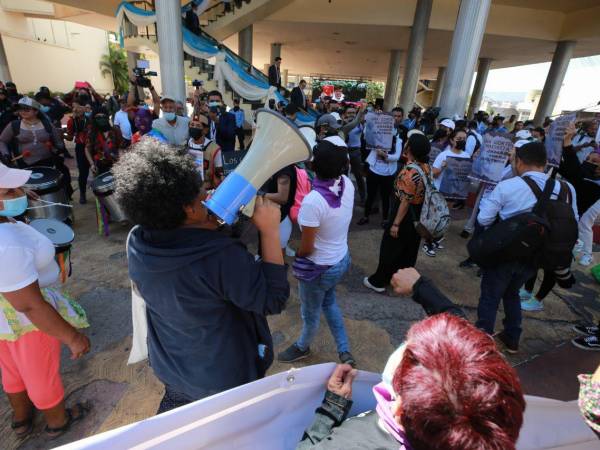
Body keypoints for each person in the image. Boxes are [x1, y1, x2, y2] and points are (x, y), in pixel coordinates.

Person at [116, 141, 289, 413]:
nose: (208, 195)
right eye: (201, 196)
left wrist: (211, 224)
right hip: (224, 379)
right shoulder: (220, 257)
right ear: (188, 208)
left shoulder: (138, 240)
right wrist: (269, 232)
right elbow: (273, 299)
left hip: (172, 365)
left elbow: (190, 251)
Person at [298, 271, 525, 449]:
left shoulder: (349, 445)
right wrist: (420, 287)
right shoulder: (489, 428)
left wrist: (333, 407)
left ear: (399, 410)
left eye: (408, 352)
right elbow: (465, 344)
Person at [0, 163, 90, 439]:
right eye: (10, 191)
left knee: (12, 369)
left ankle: (22, 418)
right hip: (25, 320)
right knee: (40, 373)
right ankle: (57, 421)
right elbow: (29, 304)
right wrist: (72, 336)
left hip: (3, 321)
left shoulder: (5, 222)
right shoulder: (6, 243)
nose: (20, 194)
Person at [476, 141, 578, 354]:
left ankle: (480, 345)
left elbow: (484, 219)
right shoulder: (567, 189)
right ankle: (512, 338)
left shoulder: (508, 186)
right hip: (536, 257)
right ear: (544, 163)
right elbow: (573, 221)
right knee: (512, 293)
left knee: (490, 297)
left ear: (520, 161)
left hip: (504, 254)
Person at [278, 140, 355, 366]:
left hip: (319, 268)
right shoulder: (347, 185)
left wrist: (297, 258)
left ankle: (302, 346)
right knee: (329, 302)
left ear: (312, 166)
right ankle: (344, 351)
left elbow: (307, 248)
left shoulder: (312, 202)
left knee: (310, 314)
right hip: (341, 259)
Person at [363, 134, 431, 293]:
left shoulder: (409, 171)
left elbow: (405, 201)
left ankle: (378, 281)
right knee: (409, 249)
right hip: (418, 214)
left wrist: (395, 224)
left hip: (404, 215)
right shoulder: (426, 167)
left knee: (390, 248)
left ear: (411, 149)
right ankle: (404, 280)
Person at [0, 97, 72, 197]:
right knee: (30, 193)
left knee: (49, 191)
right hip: (24, 166)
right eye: (20, 108)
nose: (23, 111)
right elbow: (2, 141)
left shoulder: (47, 124)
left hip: (48, 164)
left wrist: (57, 149)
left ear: (36, 111)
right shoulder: (14, 125)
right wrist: (6, 154)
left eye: (27, 109)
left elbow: (58, 143)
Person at [357, 117, 402, 228]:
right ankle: (366, 216)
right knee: (370, 195)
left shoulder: (398, 140)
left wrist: (384, 154)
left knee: (385, 197)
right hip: (374, 170)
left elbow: (396, 156)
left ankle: (385, 219)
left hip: (388, 174)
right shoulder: (376, 137)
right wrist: (371, 119)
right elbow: (366, 132)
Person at [186, 114, 223, 188]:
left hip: (206, 188)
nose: (194, 128)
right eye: (192, 125)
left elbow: (219, 172)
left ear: (205, 130)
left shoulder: (214, 148)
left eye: (198, 126)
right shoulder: (186, 143)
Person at [85, 108, 125, 175]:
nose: (101, 119)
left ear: (107, 118)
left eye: (104, 117)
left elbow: (121, 146)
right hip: (99, 167)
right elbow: (87, 149)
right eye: (98, 117)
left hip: (116, 165)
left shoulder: (115, 131)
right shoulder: (92, 134)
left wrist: (121, 159)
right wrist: (92, 164)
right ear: (94, 119)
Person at [65, 103, 91, 204]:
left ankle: (101, 191)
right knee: (83, 172)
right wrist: (62, 135)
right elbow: (70, 137)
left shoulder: (90, 118)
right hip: (81, 147)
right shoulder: (71, 121)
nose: (77, 109)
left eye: (80, 107)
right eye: (75, 107)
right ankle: (83, 194)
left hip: (93, 146)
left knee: (97, 169)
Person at [344, 105, 366, 203]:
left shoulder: (359, 124)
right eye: (349, 113)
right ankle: (344, 196)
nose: (351, 114)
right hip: (344, 152)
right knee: (343, 175)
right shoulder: (342, 124)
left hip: (355, 152)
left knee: (358, 175)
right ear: (345, 114)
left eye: (353, 113)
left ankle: (363, 197)